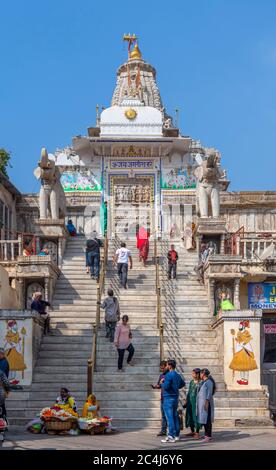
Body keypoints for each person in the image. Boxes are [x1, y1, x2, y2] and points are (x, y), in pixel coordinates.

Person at [160, 359, 185, 443]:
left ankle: (171, 435)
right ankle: (177, 435)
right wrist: (176, 387)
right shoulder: (177, 375)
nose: (166, 367)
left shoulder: (168, 375)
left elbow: (166, 387)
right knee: (175, 416)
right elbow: (182, 384)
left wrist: (161, 383)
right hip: (175, 398)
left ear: (170, 366)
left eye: (167, 365)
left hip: (168, 398)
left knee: (169, 417)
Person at [196, 368, 216, 442]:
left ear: (203, 374)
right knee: (204, 420)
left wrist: (207, 402)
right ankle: (206, 435)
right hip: (202, 404)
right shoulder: (203, 382)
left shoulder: (209, 382)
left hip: (206, 404)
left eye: (200, 373)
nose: (200, 375)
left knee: (207, 420)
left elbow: (209, 393)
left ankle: (208, 436)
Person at [151, 360, 169, 437]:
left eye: (163, 368)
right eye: (161, 368)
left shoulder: (170, 375)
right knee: (163, 415)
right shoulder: (161, 376)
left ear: (167, 366)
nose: (162, 370)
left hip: (169, 398)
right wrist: (155, 387)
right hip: (163, 398)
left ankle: (173, 431)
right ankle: (163, 430)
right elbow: (159, 385)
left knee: (170, 415)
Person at [184, 368, 201, 439]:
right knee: (189, 415)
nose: (192, 375)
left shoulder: (201, 383)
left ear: (197, 374)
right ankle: (192, 431)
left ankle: (197, 432)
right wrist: (186, 401)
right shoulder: (191, 382)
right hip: (190, 401)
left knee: (196, 416)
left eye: (193, 373)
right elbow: (189, 392)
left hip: (196, 402)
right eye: (192, 373)